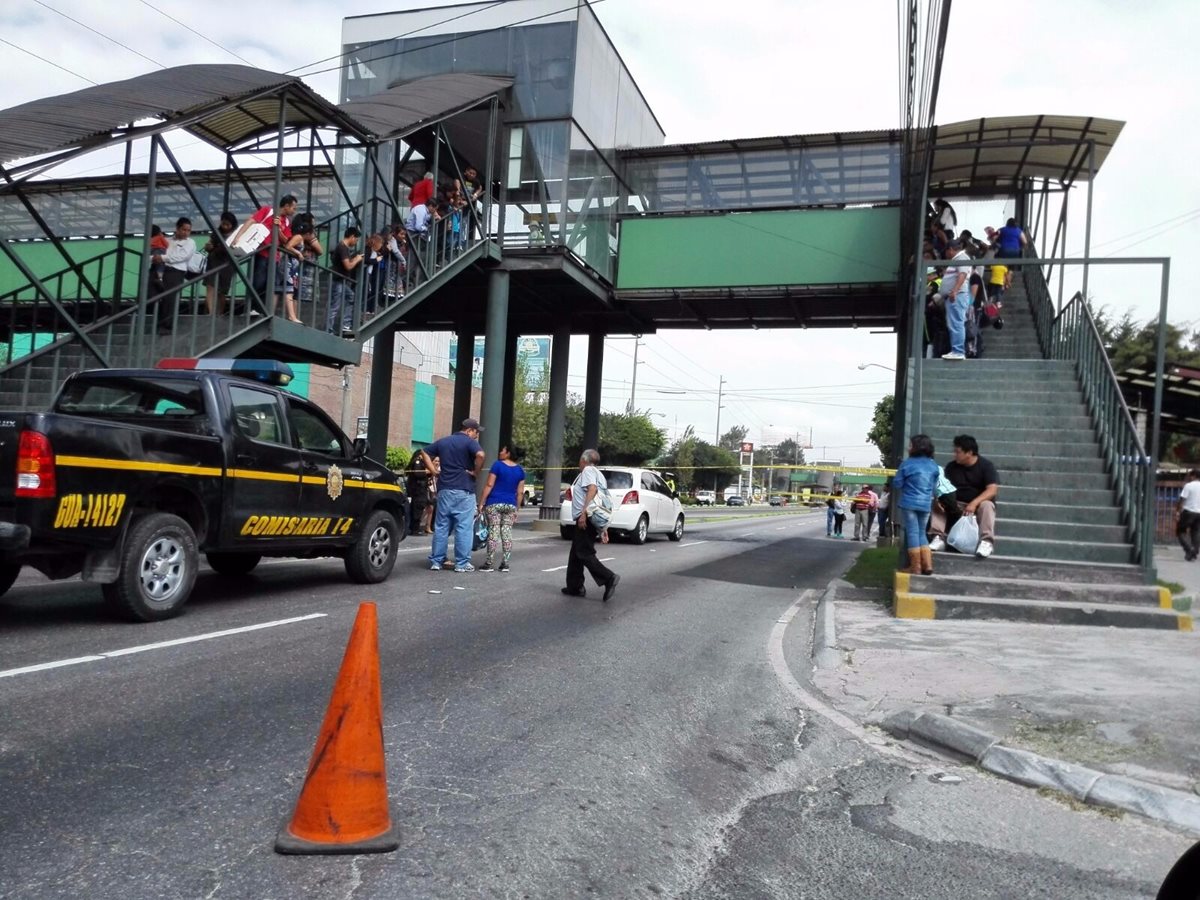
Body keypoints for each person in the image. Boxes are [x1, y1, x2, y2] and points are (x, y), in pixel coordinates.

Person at [420, 418, 485, 573]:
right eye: (476, 432)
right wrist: (476, 472)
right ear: (469, 430)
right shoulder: (469, 442)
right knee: (463, 527)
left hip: (444, 489)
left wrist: (434, 471)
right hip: (464, 489)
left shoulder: (444, 441)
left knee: (441, 526)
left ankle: (437, 561)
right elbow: (481, 455)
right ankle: (461, 564)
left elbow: (424, 452)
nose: (476, 436)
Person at [929, 434, 1000, 558]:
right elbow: (943, 486)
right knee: (938, 503)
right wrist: (939, 499)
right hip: (956, 503)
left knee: (988, 505)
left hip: (977, 505)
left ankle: (986, 542)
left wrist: (974, 503)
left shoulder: (986, 466)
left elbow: (992, 490)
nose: (955, 454)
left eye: (958, 452)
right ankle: (938, 537)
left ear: (969, 453)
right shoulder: (952, 467)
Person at [563, 449, 620, 601]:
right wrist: (603, 528)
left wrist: (583, 513)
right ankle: (575, 587)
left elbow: (592, 490)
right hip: (592, 518)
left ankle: (608, 578)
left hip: (586, 518)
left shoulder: (588, 470)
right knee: (576, 553)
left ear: (583, 460)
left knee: (584, 553)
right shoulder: (599, 474)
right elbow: (603, 501)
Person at [232, 194, 299, 312]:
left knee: (269, 284)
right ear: (287, 206)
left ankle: (261, 310)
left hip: (275, 256)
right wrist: (238, 237)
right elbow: (251, 221)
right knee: (258, 281)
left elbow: (285, 241)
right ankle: (251, 308)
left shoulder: (286, 222)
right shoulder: (267, 211)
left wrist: (278, 228)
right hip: (261, 253)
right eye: (293, 208)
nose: (294, 211)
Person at [892, 434, 941, 575]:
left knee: (912, 532)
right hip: (926, 504)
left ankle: (916, 567)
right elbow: (934, 487)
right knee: (922, 533)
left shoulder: (907, 464)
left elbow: (897, 483)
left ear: (915, 447)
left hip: (909, 503)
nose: (908, 447)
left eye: (910, 445)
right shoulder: (933, 466)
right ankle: (928, 565)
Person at [477, 444, 526, 572]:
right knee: (507, 533)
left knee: (493, 531)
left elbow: (489, 484)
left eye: (503, 450)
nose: (500, 452)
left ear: (508, 453)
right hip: (510, 504)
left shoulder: (497, 465)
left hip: (494, 502)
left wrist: (481, 502)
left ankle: (489, 562)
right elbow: (520, 492)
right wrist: (517, 509)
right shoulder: (520, 471)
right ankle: (505, 563)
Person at [159, 217, 196, 334]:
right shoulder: (167, 240)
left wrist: (162, 258)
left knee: (171, 298)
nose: (185, 233)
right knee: (161, 298)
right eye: (183, 229)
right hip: (162, 270)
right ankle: (161, 322)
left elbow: (181, 257)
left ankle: (167, 324)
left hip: (175, 272)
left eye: (188, 230)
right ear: (177, 229)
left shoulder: (190, 242)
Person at [327, 226, 364, 335]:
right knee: (335, 306)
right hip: (338, 280)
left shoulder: (344, 247)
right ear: (352, 237)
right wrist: (356, 260)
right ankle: (328, 329)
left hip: (342, 280)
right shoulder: (343, 247)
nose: (356, 242)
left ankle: (345, 324)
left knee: (351, 297)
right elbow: (348, 266)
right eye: (356, 240)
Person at [940, 241, 971, 361]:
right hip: (954, 296)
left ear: (951, 249)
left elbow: (962, 274)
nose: (946, 254)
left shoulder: (962, 257)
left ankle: (958, 351)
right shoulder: (958, 259)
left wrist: (954, 291)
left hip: (957, 296)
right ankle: (956, 350)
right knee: (954, 323)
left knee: (956, 323)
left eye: (947, 251)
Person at [202, 211, 237, 316]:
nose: (225, 227)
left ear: (232, 224)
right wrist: (208, 246)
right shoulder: (216, 233)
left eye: (228, 224)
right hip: (214, 261)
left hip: (227, 264)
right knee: (210, 286)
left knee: (222, 291)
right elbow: (209, 244)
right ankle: (211, 312)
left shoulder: (236, 234)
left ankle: (220, 313)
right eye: (223, 224)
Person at [1177, 469, 1200, 562]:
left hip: (1188, 512)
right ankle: (1195, 551)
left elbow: (1182, 499)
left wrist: (1178, 511)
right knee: (1196, 533)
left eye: (1190, 476)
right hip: (1199, 513)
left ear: (1193, 476)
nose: (1189, 478)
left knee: (1180, 532)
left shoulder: (1189, 486)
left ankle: (1189, 549)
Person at [406, 452, 431, 535]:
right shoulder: (417, 462)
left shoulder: (421, 462)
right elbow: (417, 473)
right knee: (417, 508)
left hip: (420, 490)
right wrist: (426, 472)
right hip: (418, 490)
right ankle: (415, 529)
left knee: (419, 508)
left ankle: (415, 528)